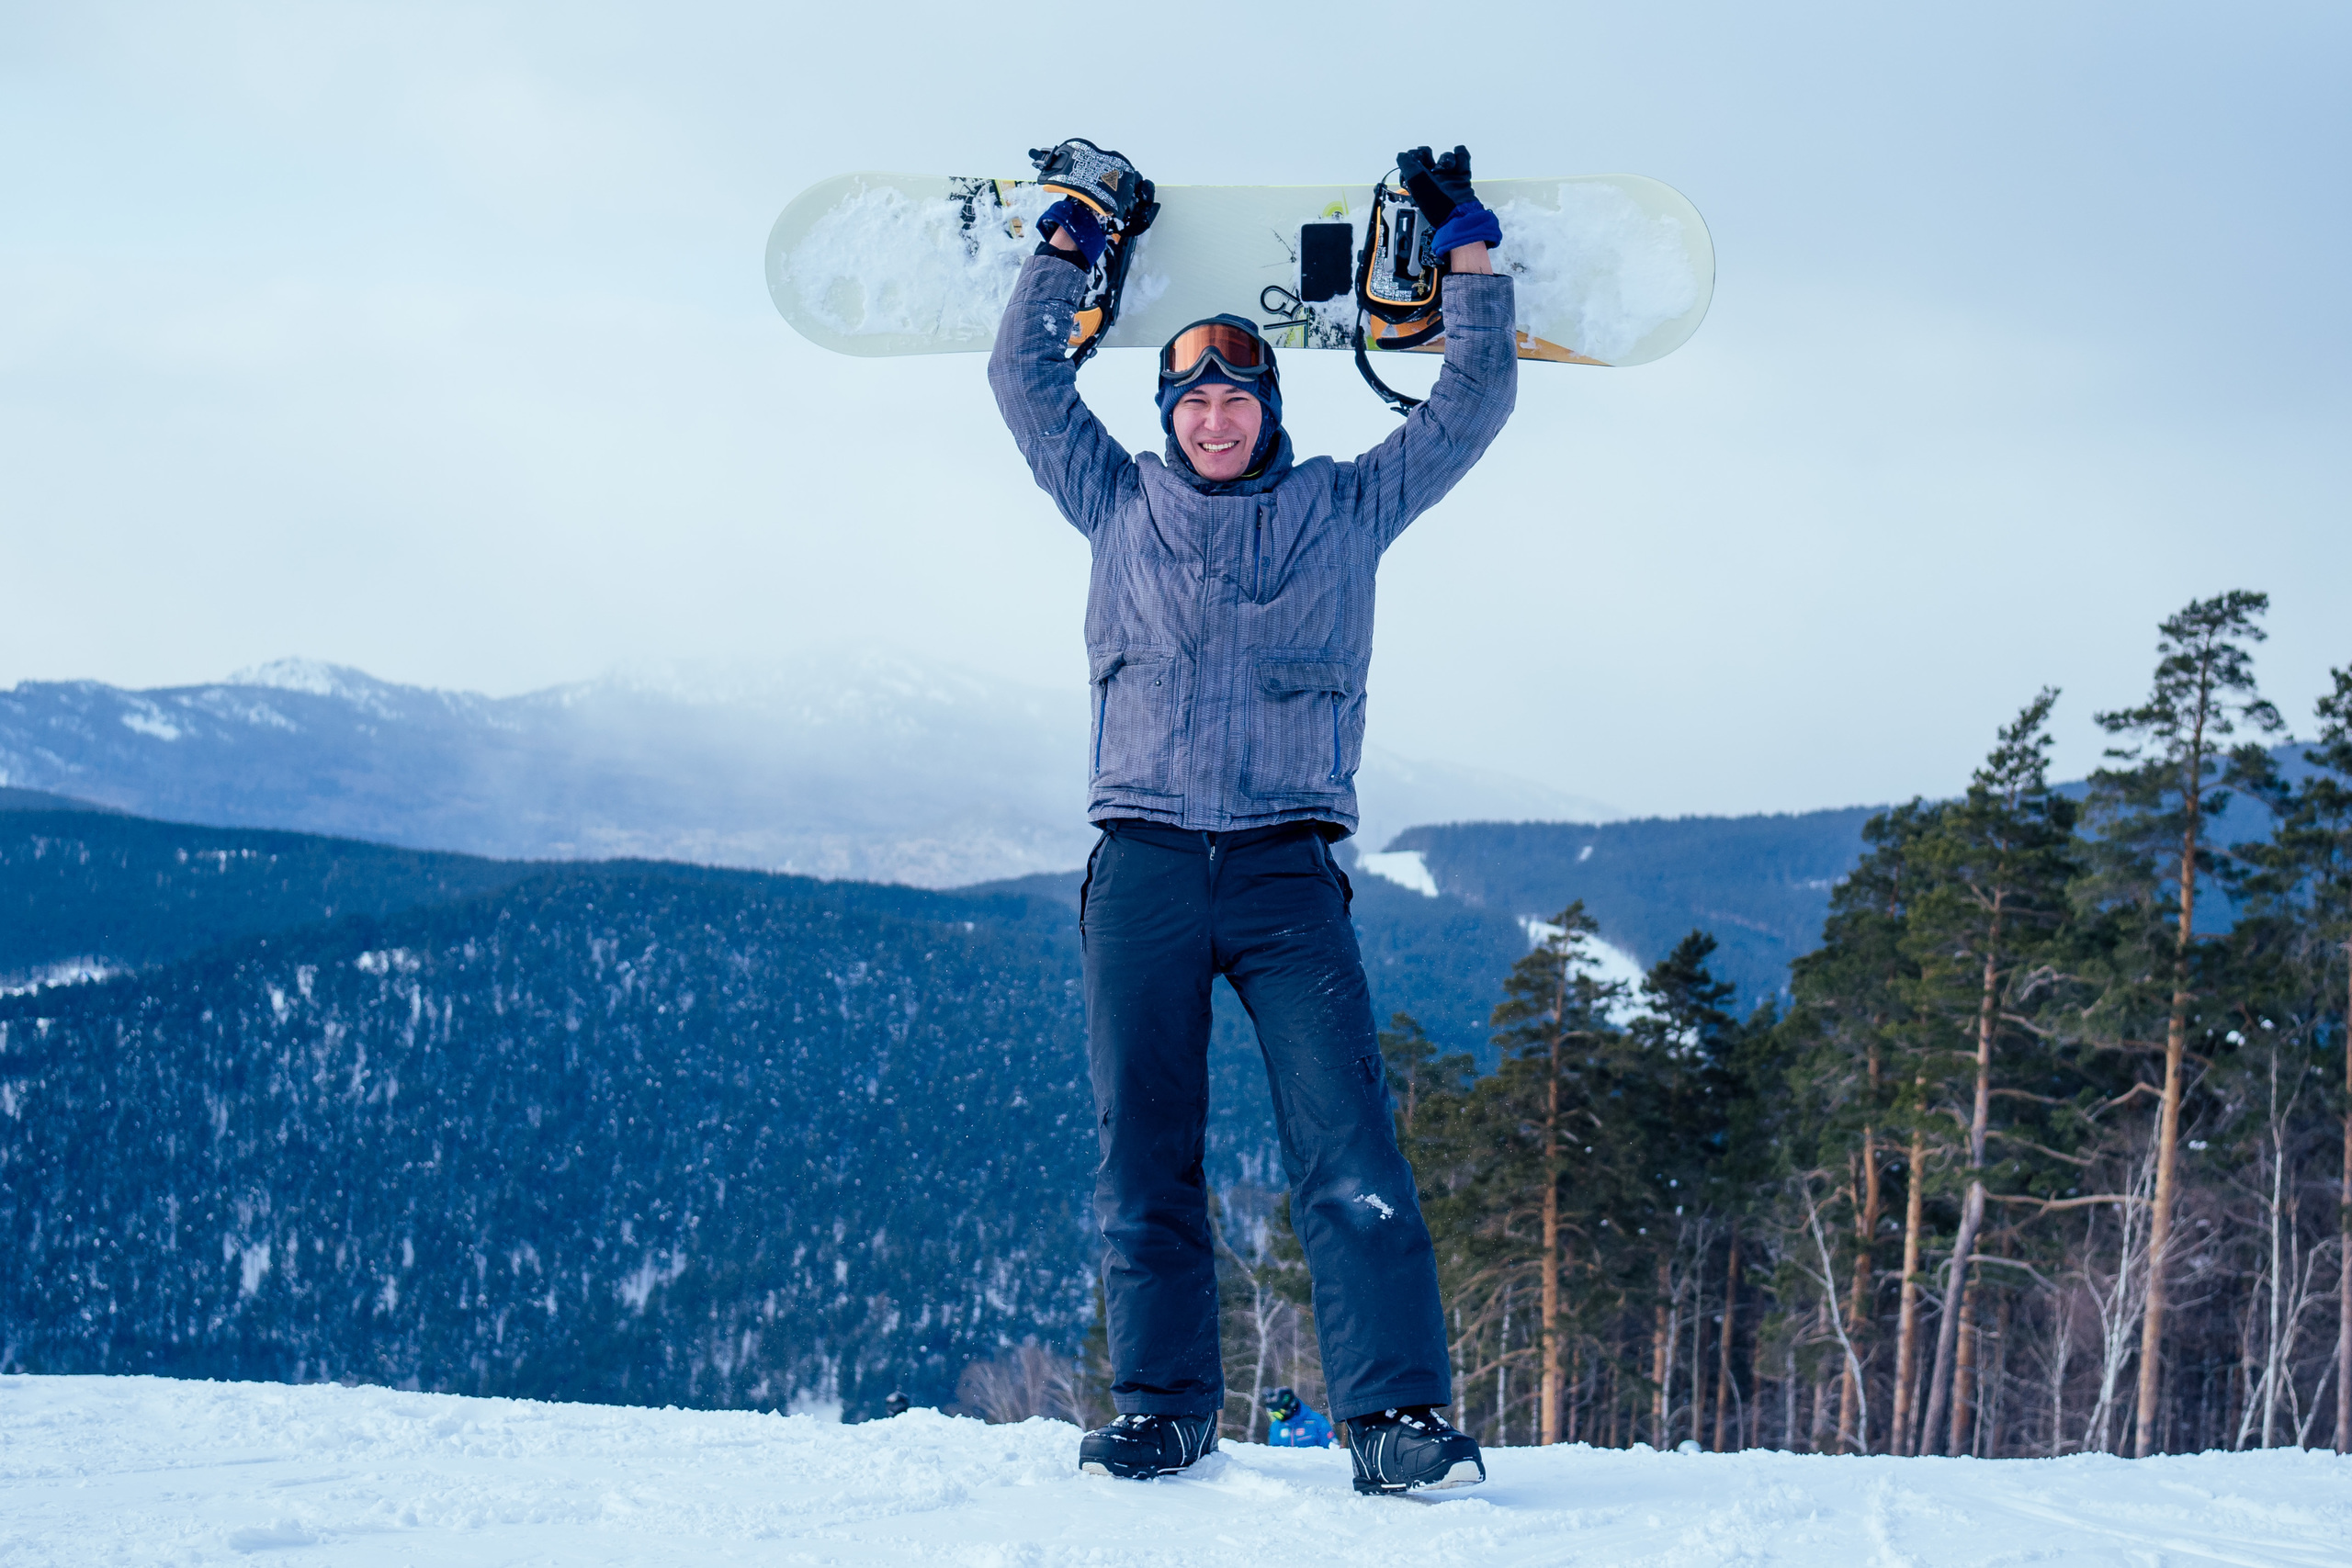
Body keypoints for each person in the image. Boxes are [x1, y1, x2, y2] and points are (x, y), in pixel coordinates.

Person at [989, 141, 1514, 1496]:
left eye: (1235, 397)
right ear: (1166, 415)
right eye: (1191, 400)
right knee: (1143, 1146)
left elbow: (1468, 405)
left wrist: (1467, 265)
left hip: (1289, 873)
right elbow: (1023, 379)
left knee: (1347, 1139)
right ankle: (1162, 1406)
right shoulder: (1116, 503)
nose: (1213, 420)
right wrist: (1068, 247)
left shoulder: (1344, 507)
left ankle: (1396, 1417)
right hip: (1147, 864)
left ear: (1268, 405)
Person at [1262, 1387, 1335, 1449]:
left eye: (1279, 1415)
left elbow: (1333, 1449)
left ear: (1290, 1407)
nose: (1278, 1419)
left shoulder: (1316, 1421)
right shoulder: (1276, 1426)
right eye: (1273, 1416)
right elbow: (1274, 1454)